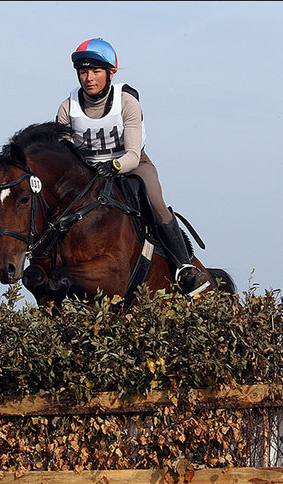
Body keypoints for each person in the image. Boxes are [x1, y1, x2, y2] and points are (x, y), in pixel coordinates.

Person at [56, 37, 211, 296]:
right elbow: (62, 156)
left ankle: (185, 269)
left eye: (95, 71)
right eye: (83, 72)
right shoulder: (67, 108)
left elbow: (132, 153)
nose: (89, 78)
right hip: (88, 176)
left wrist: (112, 166)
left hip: (132, 166)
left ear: (110, 72)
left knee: (154, 197)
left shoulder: (126, 101)